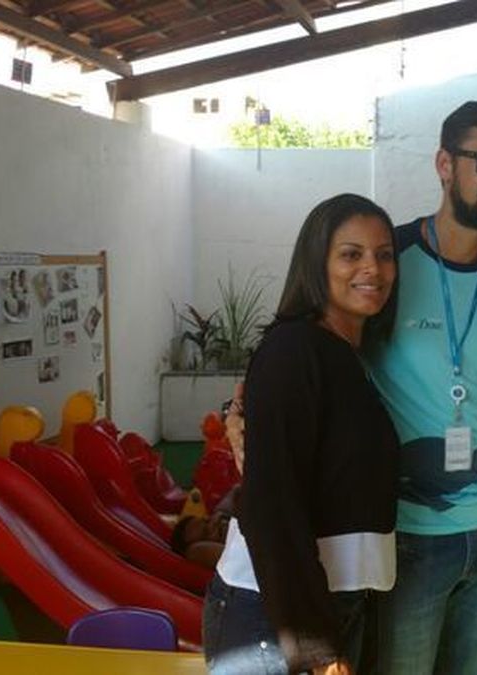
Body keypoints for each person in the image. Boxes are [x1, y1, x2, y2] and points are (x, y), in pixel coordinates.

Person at [224, 100, 477, 674]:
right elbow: (300, 355)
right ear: (444, 164)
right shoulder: (386, 259)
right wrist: (243, 417)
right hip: (407, 531)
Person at [202, 193, 400, 675]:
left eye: (384, 255)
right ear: (316, 263)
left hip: (336, 598)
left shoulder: (349, 354)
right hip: (272, 616)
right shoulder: (294, 350)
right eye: (351, 254)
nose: (372, 269)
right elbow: (272, 508)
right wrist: (316, 648)